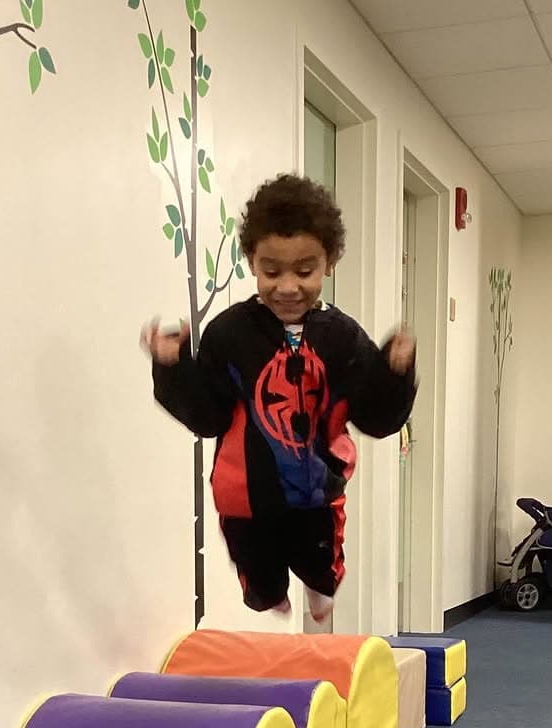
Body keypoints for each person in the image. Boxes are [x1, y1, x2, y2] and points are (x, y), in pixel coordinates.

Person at [142, 173, 416, 622]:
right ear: (251, 260)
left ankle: (316, 585)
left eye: (304, 271)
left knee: (320, 568)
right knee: (263, 586)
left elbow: (375, 418)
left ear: (330, 261)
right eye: (272, 271)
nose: (287, 287)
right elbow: (207, 415)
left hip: (316, 490)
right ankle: (275, 593)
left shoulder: (342, 338)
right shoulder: (230, 333)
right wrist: (173, 368)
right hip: (245, 493)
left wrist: (394, 373)